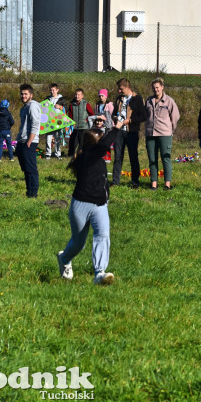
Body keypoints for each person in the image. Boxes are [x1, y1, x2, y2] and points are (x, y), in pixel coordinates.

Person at [57, 118, 124, 285]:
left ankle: (99, 273)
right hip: (80, 205)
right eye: (100, 139)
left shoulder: (94, 157)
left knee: (102, 235)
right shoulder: (86, 156)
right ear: (92, 143)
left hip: (100, 205)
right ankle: (64, 258)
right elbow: (104, 146)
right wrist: (116, 128)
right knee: (79, 243)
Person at [145, 78, 180, 190]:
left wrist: (171, 130)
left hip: (165, 133)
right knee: (152, 159)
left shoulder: (169, 101)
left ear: (162, 87)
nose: (156, 90)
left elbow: (175, 117)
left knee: (166, 158)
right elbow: (146, 115)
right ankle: (154, 183)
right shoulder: (149, 101)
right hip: (151, 134)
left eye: (157, 87)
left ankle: (167, 184)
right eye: (154, 88)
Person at [111, 79, 146, 188]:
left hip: (132, 132)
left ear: (127, 87)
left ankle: (135, 181)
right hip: (119, 132)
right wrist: (116, 119)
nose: (119, 90)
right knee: (117, 156)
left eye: (121, 88)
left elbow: (143, 116)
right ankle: (115, 181)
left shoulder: (138, 99)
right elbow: (113, 113)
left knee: (133, 156)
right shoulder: (119, 99)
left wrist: (129, 121)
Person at [15, 84, 41, 198]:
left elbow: (35, 124)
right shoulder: (24, 107)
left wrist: (30, 141)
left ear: (31, 95)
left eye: (25, 94)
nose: (23, 96)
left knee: (31, 168)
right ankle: (28, 191)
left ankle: (33, 192)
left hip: (29, 141)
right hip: (22, 140)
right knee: (25, 168)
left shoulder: (32, 106)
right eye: (22, 94)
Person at [67, 89, 94, 160]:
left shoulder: (86, 104)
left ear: (82, 96)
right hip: (75, 127)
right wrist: (71, 123)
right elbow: (70, 115)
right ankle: (71, 155)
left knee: (83, 142)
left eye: (79, 94)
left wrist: (87, 120)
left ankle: (84, 155)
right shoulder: (72, 104)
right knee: (73, 142)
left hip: (84, 126)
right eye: (76, 94)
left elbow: (91, 114)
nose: (77, 96)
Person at [44, 83, 66, 159]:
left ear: (57, 90)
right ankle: (48, 154)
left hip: (58, 122)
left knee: (57, 139)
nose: (52, 92)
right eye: (51, 90)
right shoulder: (47, 99)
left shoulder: (61, 99)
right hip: (49, 122)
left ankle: (58, 154)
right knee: (48, 139)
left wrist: (60, 106)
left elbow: (64, 107)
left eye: (53, 90)